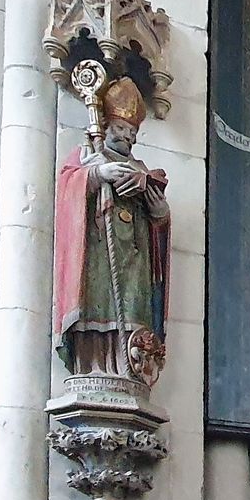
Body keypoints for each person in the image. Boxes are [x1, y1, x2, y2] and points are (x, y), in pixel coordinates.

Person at [53, 77, 170, 378]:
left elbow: (158, 226)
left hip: (134, 261)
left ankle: (125, 370)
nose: (128, 137)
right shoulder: (88, 157)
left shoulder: (142, 170)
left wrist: (159, 213)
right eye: (121, 129)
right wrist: (96, 175)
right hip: (97, 254)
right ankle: (92, 368)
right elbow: (67, 190)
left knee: (132, 310)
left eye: (132, 132)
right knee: (97, 310)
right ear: (105, 126)